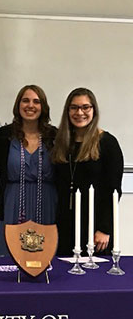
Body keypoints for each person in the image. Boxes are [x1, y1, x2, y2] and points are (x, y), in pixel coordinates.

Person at [51, 88, 123, 256]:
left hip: (94, 227)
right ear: (67, 111)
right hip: (64, 224)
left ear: (94, 110)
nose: (79, 113)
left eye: (85, 107)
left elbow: (114, 190)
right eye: (74, 107)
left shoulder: (107, 143)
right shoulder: (61, 142)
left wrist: (105, 229)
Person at [0, 85, 57, 257]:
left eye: (36, 101)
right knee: (9, 256)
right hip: (12, 202)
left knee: (44, 256)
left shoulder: (54, 136)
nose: (30, 105)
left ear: (43, 107)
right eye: (25, 100)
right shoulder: (3, 135)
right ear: (18, 105)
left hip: (47, 202)